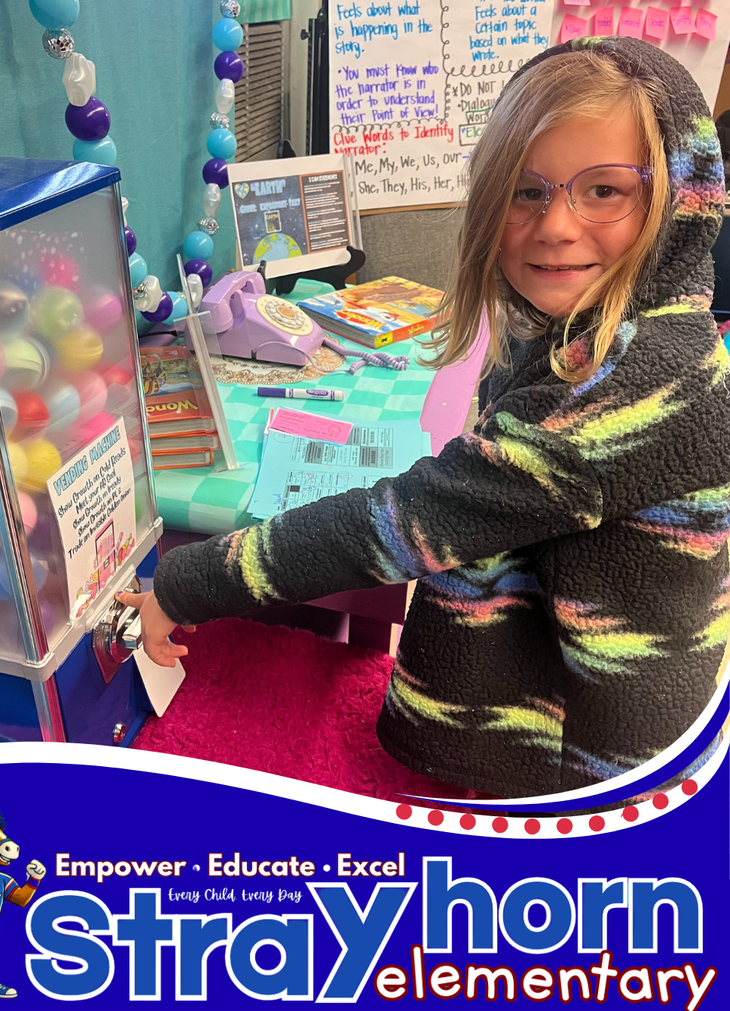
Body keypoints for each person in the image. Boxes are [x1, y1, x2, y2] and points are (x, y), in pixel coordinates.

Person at [120, 36, 730, 798]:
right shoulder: (624, 330)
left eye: (603, 190)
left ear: (681, 196)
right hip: (581, 695)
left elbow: (400, 521)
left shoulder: (634, 377)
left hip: (586, 756)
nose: (556, 225)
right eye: (524, 190)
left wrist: (182, 584)